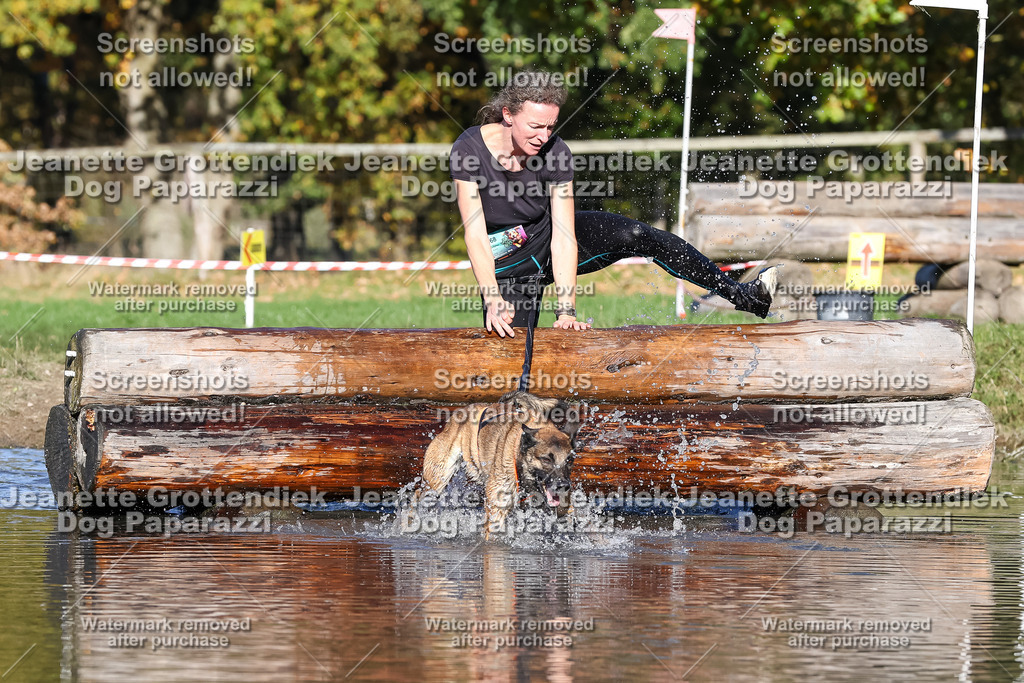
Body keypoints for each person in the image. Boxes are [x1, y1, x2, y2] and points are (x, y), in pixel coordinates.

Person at [449, 70, 775, 338]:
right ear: (508, 115)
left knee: (638, 234)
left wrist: (566, 311)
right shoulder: (468, 150)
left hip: (549, 237)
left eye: (550, 127)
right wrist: (493, 297)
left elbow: (564, 235)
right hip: (507, 263)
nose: (543, 137)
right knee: (512, 368)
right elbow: (475, 234)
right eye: (535, 126)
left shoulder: (556, 152)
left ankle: (744, 295)